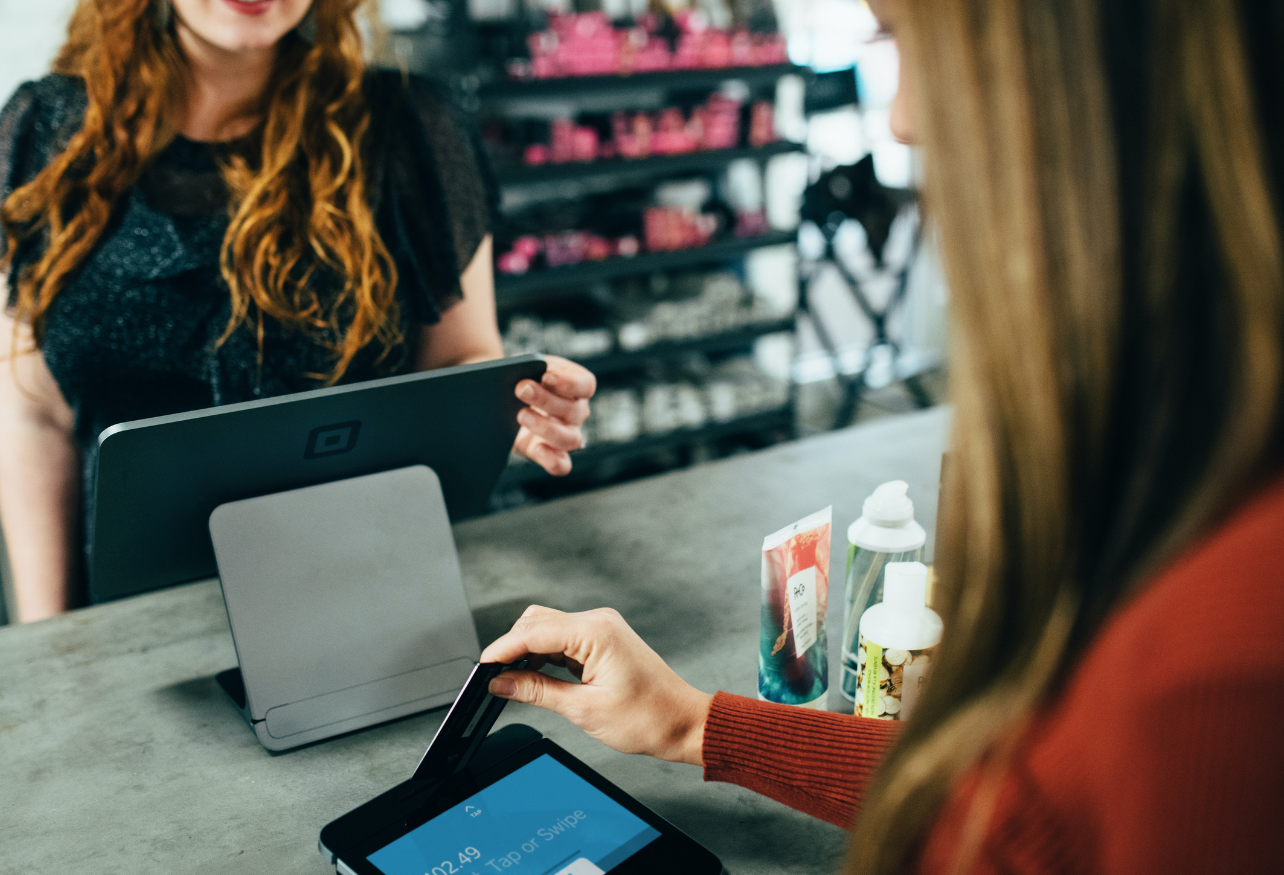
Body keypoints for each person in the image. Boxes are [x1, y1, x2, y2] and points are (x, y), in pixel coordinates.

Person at [481, 0, 1284, 872]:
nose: (901, 116)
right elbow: (1027, 795)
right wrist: (692, 722)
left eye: (907, 37)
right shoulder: (1182, 491)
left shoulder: (1219, 668)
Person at [0, 0, 596, 623]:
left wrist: (504, 409)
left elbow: (460, 356)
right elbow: (33, 413)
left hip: (366, 590)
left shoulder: (408, 127)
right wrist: (46, 637)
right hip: (132, 613)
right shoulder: (42, 133)